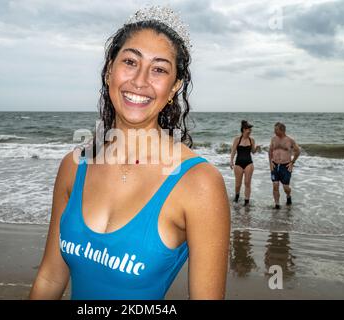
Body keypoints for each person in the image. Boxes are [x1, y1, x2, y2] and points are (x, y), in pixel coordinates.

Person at [29, 6, 230, 300]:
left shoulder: (198, 183)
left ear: (175, 87)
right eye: (130, 62)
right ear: (110, 68)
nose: (140, 81)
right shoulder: (74, 166)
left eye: (159, 69)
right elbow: (49, 278)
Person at [268, 122, 300, 209]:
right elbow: (270, 151)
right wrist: (270, 162)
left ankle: (288, 195)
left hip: (285, 166)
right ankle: (277, 204)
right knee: (275, 185)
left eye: (276, 129)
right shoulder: (273, 139)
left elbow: (298, 151)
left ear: (282, 130)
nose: (274, 131)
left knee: (286, 187)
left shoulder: (290, 140)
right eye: (274, 129)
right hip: (275, 164)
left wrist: (292, 162)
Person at [229, 120, 260, 206]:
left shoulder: (252, 140)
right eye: (248, 129)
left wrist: (256, 148)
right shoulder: (237, 140)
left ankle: (246, 202)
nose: (250, 131)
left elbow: (253, 152)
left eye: (250, 129)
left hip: (249, 163)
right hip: (238, 163)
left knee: (247, 183)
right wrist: (231, 161)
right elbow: (233, 151)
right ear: (243, 129)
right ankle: (236, 197)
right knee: (238, 184)